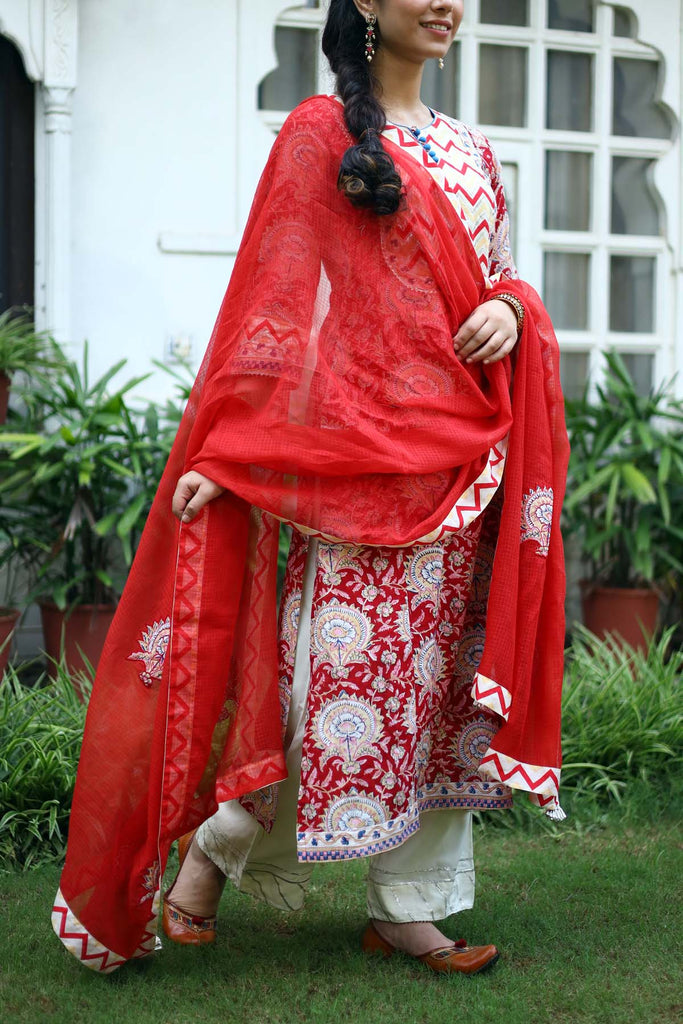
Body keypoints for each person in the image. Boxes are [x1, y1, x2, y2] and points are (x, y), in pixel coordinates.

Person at [52, 0, 569, 977]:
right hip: (359, 465)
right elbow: (276, 308)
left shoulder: (472, 147)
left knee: (435, 695)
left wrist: (510, 303)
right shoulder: (317, 135)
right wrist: (229, 451)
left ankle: (408, 907)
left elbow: (497, 269)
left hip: (471, 458)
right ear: (364, 3)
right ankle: (210, 853)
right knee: (318, 682)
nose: (444, 3)